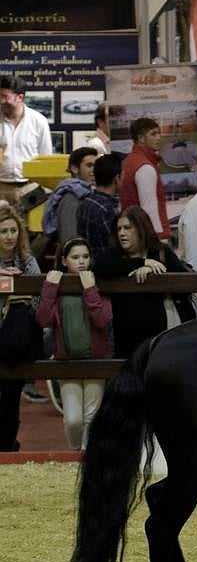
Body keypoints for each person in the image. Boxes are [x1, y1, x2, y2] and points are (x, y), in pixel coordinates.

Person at [36, 237, 112, 451]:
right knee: (73, 419)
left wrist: (90, 290)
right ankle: (74, 454)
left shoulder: (97, 285)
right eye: (75, 257)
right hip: (66, 363)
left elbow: (102, 320)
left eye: (85, 257)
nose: (81, 262)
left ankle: (85, 460)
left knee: (91, 418)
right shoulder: (58, 287)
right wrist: (50, 287)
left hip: (95, 361)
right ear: (64, 260)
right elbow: (43, 319)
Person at [94, 206, 196, 358]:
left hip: (162, 341)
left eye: (127, 228)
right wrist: (141, 263)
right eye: (119, 229)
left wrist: (153, 272)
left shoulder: (161, 252)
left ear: (141, 228)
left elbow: (184, 284)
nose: (122, 233)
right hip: (126, 344)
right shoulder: (115, 255)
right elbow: (100, 267)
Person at [0, 205, 41, 450]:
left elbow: (39, 298)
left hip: (19, 341)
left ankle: (7, 447)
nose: (9, 236)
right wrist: (7, 283)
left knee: (12, 399)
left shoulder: (28, 261)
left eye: (13, 230)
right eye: (3, 231)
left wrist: (21, 294)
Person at [0, 74, 53, 206]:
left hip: (30, 187)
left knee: (29, 226)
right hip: (1, 188)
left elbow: (45, 158)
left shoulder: (39, 121)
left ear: (20, 97)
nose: (1, 101)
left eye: (5, 97)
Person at [119, 116, 169, 242]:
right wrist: (158, 240)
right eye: (153, 134)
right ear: (141, 138)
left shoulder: (127, 162)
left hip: (132, 234)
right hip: (146, 237)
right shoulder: (145, 167)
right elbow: (149, 210)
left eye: (159, 133)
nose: (158, 137)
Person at [41, 147, 98, 246]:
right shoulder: (72, 197)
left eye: (96, 166)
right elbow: (69, 238)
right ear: (74, 169)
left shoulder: (85, 193)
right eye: (89, 166)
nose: (95, 170)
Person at [76, 153, 122, 258]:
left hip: (88, 265)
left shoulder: (85, 202)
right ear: (117, 178)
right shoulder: (107, 209)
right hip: (106, 267)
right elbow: (118, 245)